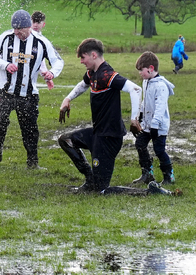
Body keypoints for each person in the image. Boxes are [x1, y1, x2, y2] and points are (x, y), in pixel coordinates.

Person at [57, 39, 176, 196]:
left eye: (83, 57)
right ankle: (90, 178)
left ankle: (151, 192)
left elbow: (135, 89)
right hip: (98, 133)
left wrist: (134, 120)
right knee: (65, 140)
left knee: (102, 190)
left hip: (109, 138)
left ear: (93, 55)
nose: (81, 61)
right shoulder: (93, 73)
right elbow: (83, 84)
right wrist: (68, 99)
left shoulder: (107, 75)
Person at [0, 10, 63, 170]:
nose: (17, 33)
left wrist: (51, 73)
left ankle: (32, 162)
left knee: (30, 128)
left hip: (28, 94)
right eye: (15, 29)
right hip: (5, 91)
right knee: (0, 123)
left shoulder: (41, 42)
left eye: (20, 30)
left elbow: (58, 61)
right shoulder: (6, 37)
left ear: (28, 27)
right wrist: (5, 65)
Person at [130, 51, 176, 185]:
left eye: (141, 70)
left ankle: (169, 176)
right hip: (147, 124)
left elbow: (160, 107)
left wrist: (155, 125)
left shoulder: (161, 86)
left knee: (159, 150)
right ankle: (147, 173)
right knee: (140, 144)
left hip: (158, 126)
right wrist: (140, 116)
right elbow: (146, 100)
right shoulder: (146, 82)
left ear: (150, 68)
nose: (140, 73)